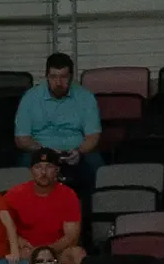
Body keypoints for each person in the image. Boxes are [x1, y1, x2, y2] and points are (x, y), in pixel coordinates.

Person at [13, 53, 101, 198]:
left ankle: (92, 215)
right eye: (53, 77)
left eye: (64, 77)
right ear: (46, 76)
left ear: (71, 77)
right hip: (40, 151)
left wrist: (79, 151)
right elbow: (21, 139)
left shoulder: (85, 97)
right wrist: (44, 151)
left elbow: (93, 137)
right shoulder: (30, 98)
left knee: (97, 165)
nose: (58, 82)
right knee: (22, 167)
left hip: (76, 151)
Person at [2, 149, 84, 264]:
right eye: (38, 167)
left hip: (56, 252)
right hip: (26, 251)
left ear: (57, 170)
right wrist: (19, 242)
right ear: (31, 171)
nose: (43, 172)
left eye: (49, 167)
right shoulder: (14, 194)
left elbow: (71, 237)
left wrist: (45, 251)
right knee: (17, 253)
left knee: (77, 254)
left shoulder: (68, 195)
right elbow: (2, 228)